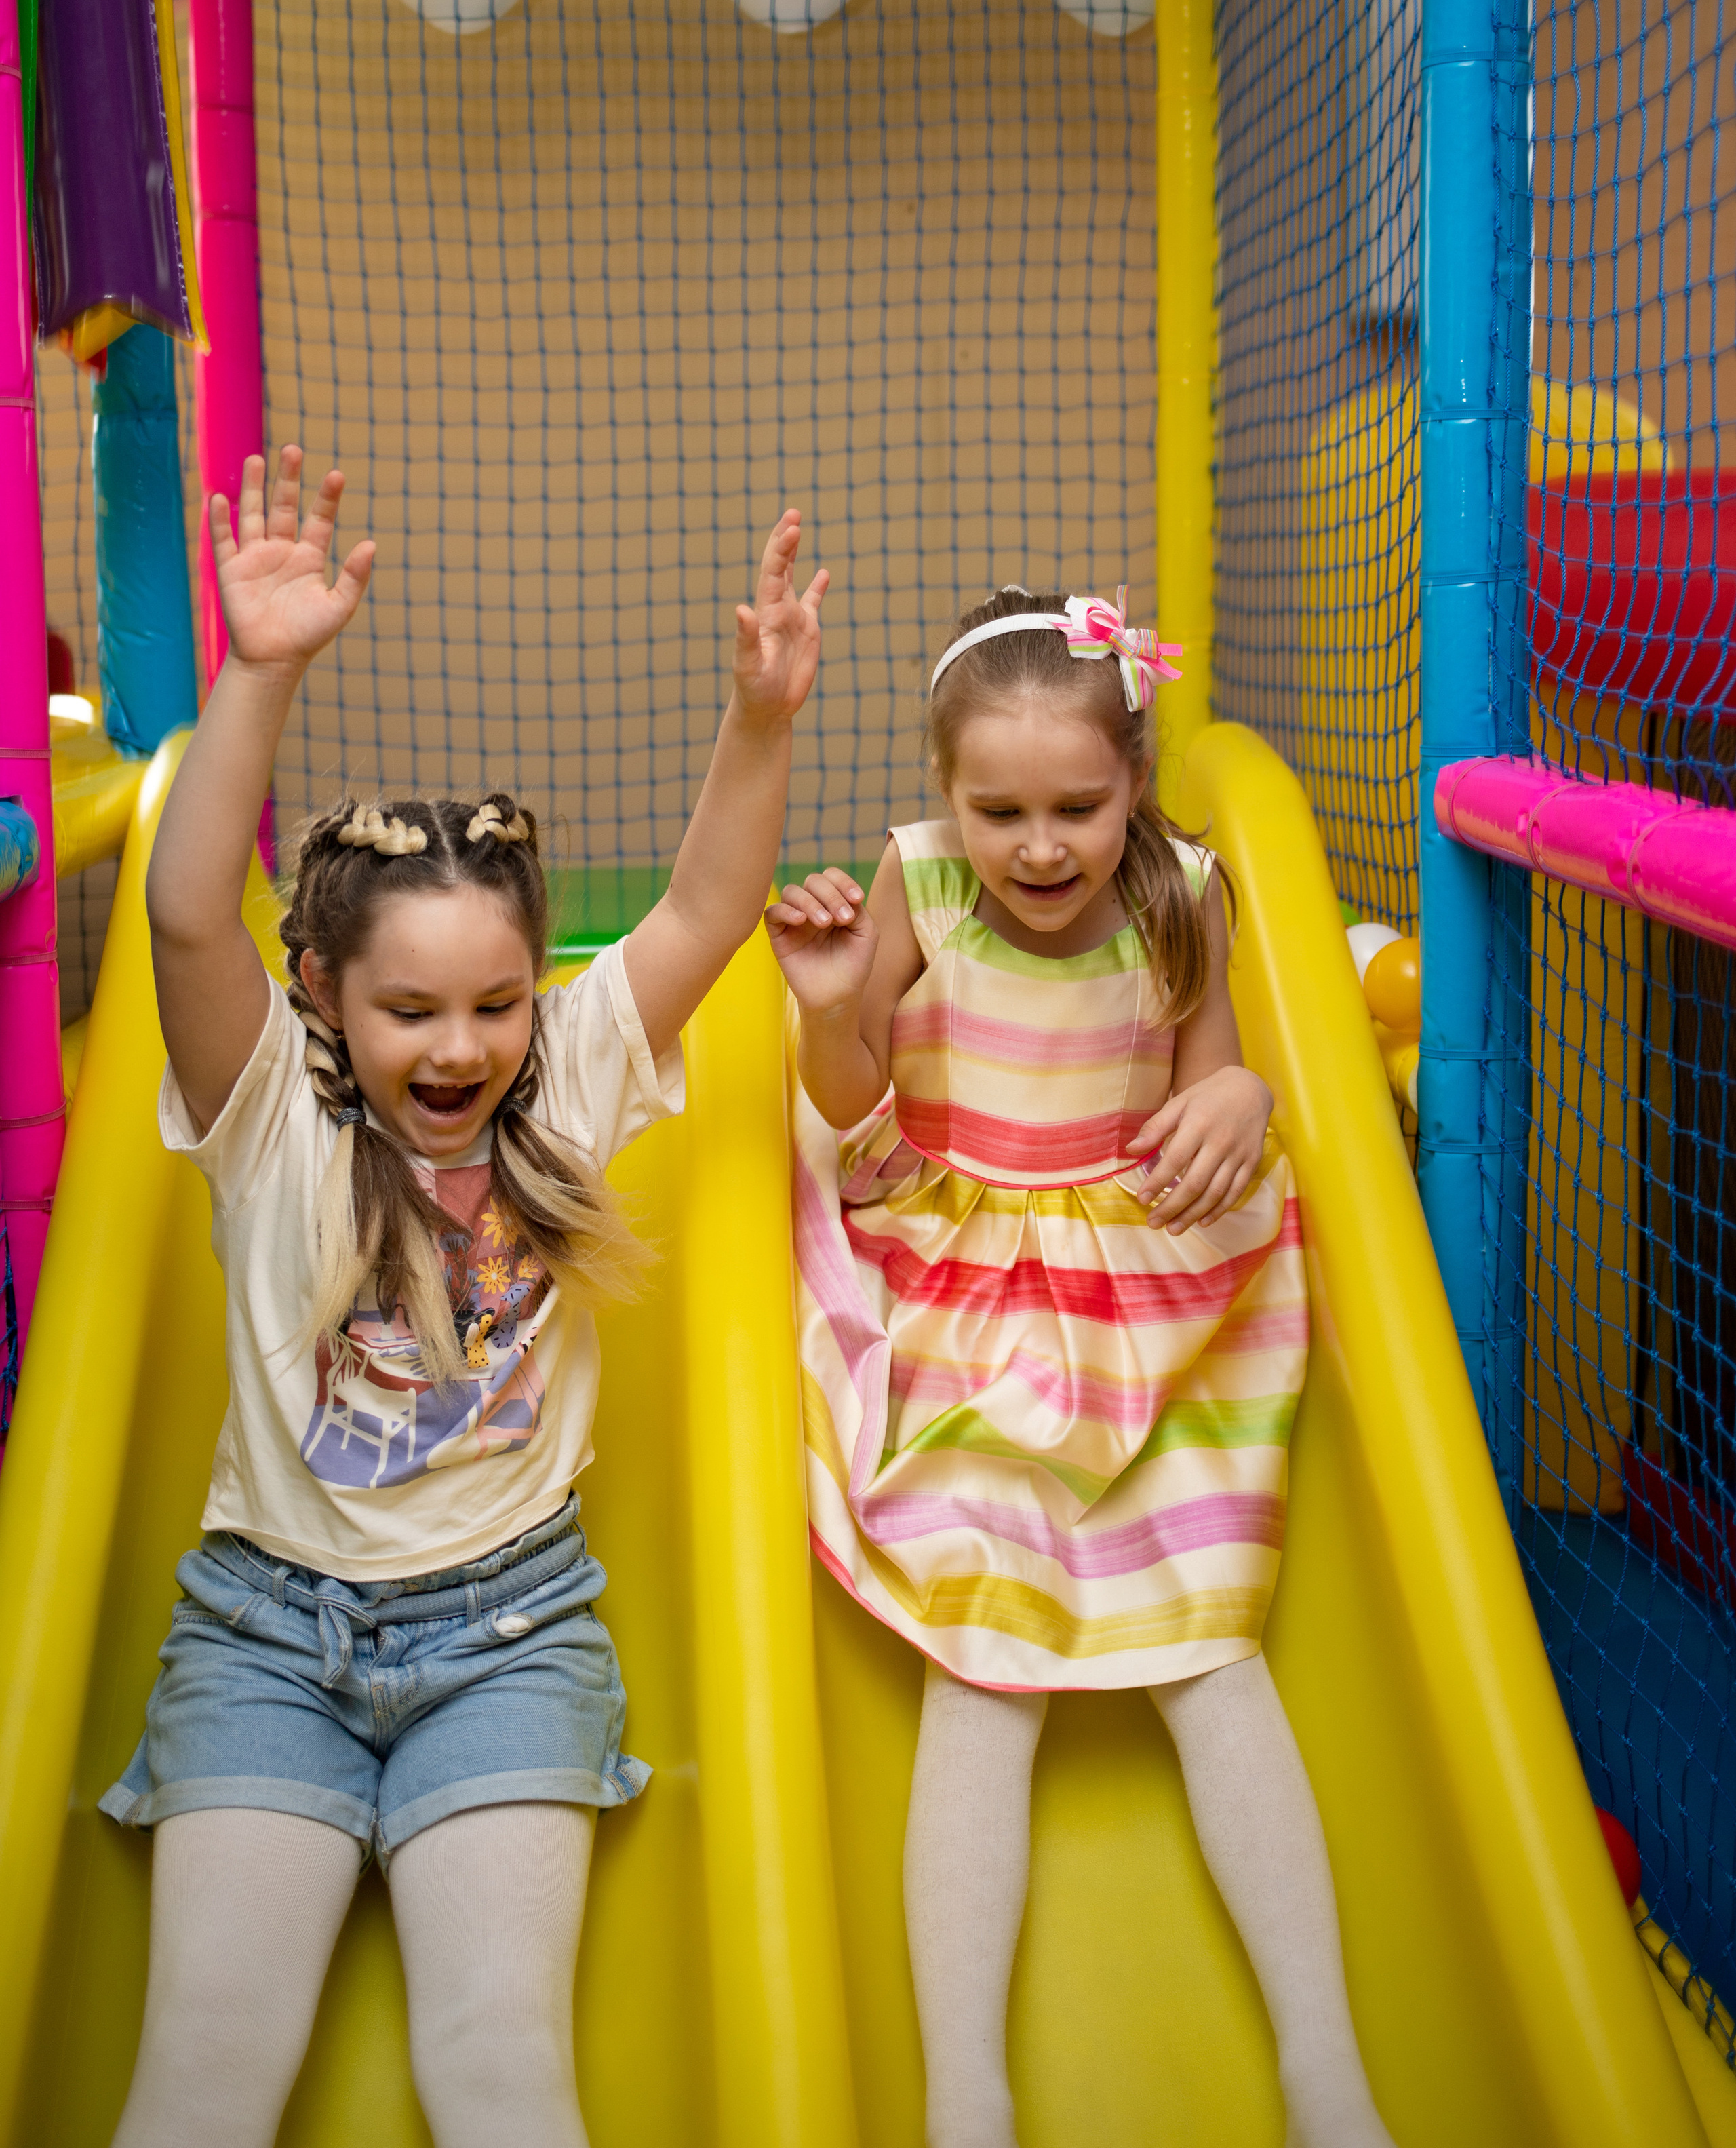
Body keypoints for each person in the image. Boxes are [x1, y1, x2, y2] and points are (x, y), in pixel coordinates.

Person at [105, 446, 827, 2148]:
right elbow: (182, 908)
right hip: (265, 1640)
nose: (461, 1048)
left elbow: (710, 906)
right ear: (325, 999)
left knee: (499, 2070)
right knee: (206, 2069)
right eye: (412, 1010)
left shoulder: (568, 1082)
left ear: (536, 993)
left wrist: (761, 718)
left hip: (510, 1641)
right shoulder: (267, 1107)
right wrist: (262, 667)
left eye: (496, 1003)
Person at [768, 585, 1394, 2148]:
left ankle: (1324, 2068)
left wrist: (1240, 1097)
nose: (1036, 847)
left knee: (1211, 1653)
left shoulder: (1185, 890)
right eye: (997, 811)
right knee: (981, 1676)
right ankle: (963, 2093)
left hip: (1141, 1295)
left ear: (1132, 781)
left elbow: (1212, 1074)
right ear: (941, 794)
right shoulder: (923, 887)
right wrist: (833, 1010)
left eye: (1075, 808)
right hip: (970, 1279)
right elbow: (851, 1104)